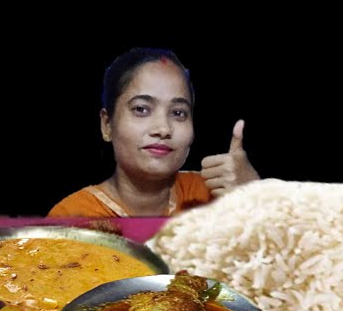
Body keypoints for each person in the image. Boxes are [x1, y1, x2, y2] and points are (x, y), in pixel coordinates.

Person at [48, 47, 260, 218]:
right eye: (141, 109)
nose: (163, 129)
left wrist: (260, 196)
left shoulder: (213, 197)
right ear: (107, 125)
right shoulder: (72, 217)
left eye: (178, 113)